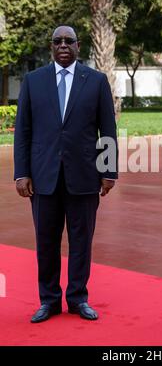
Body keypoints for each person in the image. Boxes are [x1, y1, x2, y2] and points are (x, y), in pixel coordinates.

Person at [14, 25, 118, 323]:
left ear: (78, 45)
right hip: (43, 177)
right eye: (57, 41)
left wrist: (108, 170)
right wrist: (22, 173)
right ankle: (48, 300)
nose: (63, 45)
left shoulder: (96, 81)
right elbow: (23, 131)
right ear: (51, 46)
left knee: (81, 241)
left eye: (68, 41)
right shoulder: (33, 81)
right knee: (46, 242)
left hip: (84, 177)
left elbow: (107, 129)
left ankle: (77, 298)